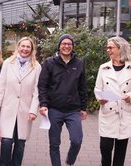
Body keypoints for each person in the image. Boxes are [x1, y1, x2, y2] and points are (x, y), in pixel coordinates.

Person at [38, 34, 88, 166]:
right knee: (54, 143)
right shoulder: (49, 62)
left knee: (77, 140)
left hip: (73, 110)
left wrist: (83, 108)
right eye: (64, 44)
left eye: (69, 44)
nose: (66, 46)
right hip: (54, 109)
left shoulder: (79, 64)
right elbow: (42, 85)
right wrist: (43, 104)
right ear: (59, 46)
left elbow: (82, 87)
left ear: (73, 47)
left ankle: (69, 161)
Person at [0, 37, 41, 166]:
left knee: (20, 144)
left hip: (25, 111)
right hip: (8, 109)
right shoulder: (8, 63)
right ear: (18, 47)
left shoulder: (36, 67)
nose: (25, 49)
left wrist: (33, 110)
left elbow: (37, 91)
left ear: (31, 49)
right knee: (6, 142)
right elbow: (1, 86)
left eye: (28, 47)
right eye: (22, 46)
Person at [94, 36, 131, 166]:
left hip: (125, 114)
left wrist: (130, 96)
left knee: (120, 152)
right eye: (107, 47)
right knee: (105, 148)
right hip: (108, 113)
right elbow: (98, 88)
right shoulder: (103, 68)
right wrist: (100, 98)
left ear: (120, 48)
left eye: (110, 47)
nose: (107, 50)